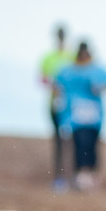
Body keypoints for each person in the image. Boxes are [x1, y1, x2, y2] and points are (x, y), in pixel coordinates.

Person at [53, 41, 106, 191]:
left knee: (92, 143)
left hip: (94, 115)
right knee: (79, 142)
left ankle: (92, 173)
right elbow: (56, 84)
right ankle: (80, 173)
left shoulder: (97, 70)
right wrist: (58, 102)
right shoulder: (68, 70)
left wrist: (99, 87)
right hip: (75, 115)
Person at [39, 24, 74, 192]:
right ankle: (59, 178)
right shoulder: (48, 57)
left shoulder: (72, 56)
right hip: (55, 102)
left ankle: (73, 176)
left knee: (74, 140)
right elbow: (42, 79)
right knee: (59, 141)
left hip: (72, 105)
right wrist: (55, 86)